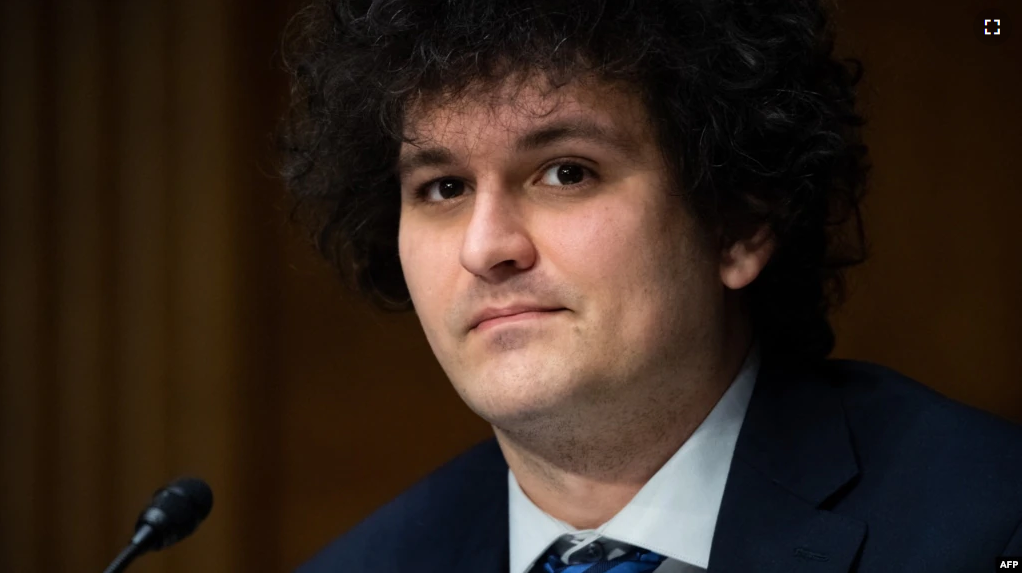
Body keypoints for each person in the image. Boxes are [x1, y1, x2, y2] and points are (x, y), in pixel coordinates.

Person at [277, 0, 1021, 571]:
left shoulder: (989, 523)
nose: (487, 248)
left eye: (566, 172)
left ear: (737, 224)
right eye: (442, 188)